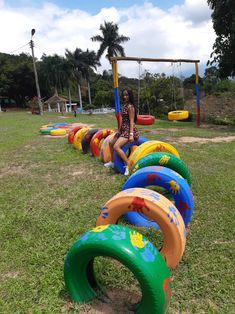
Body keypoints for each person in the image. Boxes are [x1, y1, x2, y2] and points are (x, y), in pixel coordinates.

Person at [104, 88, 139, 176]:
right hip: (123, 129)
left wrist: (131, 135)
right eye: (123, 95)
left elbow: (131, 121)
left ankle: (127, 164)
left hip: (128, 130)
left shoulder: (130, 107)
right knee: (111, 142)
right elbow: (123, 120)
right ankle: (112, 162)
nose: (125, 96)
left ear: (130, 95)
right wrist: (119, 130)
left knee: (116, 146)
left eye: (127, 95)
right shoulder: (124, 105)